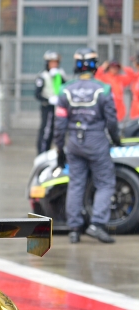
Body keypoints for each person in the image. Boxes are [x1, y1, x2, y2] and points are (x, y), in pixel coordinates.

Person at [53, 48, 120, 244]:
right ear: (95, 66)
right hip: (97, 141)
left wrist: (59, 149)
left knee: (76, 184)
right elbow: (112, 121)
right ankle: (97, 225)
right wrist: (116, 140)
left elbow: (59, 125)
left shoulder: (65, 89)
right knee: (105, 183)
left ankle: (74, 229)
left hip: (74, 142)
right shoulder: (103, 89)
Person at [34, 51, 67, 154]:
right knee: (46, 130)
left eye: (56, 62)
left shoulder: (60, 74)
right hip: (47, 107)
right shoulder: (43, 76)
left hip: (58, 107)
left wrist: (59, 77)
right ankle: (42, 152)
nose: (54, 65)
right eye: (52, 62)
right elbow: (37, 94)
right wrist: (48, 100)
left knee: (57, 130)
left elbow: (65, 87)